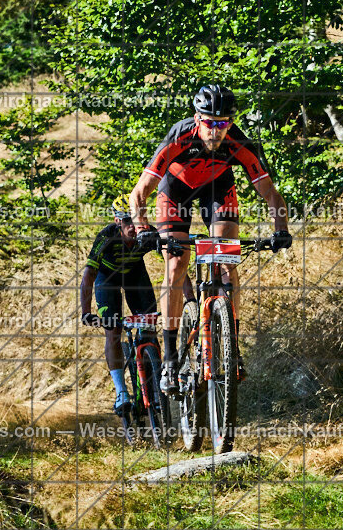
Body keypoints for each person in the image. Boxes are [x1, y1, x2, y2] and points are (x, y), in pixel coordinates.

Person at [128, 84, 293, 394]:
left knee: (229, 263)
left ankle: (232, 347)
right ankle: (170, 358)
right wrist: (143, 229)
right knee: (177, 264)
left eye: (223, 123)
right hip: (174, 189)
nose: (216, 131)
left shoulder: (238, 142)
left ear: (230, 123)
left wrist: (280, 229)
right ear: (197, 119)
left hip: (217, 190)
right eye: (210, 123)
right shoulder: (179, 137)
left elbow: (270, 192)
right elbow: (139, 192)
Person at [79, 196, 164, 416]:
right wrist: (86, 313)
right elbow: (88, 275)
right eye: (128, 221)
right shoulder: (106, 237)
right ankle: (121, 392)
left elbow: (176, 265)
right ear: (118, 222)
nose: (134, 227)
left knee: (149, 328)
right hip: (107, 280)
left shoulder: (148, 233)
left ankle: (154, 382)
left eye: (137, 220)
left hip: (136, 276)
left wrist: (189, 300)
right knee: (113, 331)